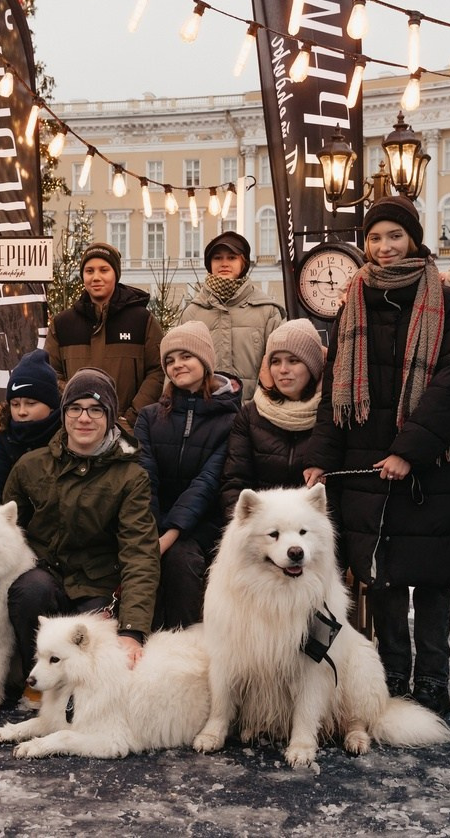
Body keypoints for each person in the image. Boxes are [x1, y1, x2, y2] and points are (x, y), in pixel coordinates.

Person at [304, 195, 450, 718]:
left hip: (429, 468)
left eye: (393, 236)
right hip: (365, 464)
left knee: (433, 579)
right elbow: (337, 390)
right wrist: (319, 457)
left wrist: (409, 452)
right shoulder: (353, 298)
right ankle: (395, 675)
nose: (382, 247)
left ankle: (434, 679)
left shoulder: (446, 302)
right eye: (374, 238)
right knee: (384, 577)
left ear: (413, 240)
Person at [1, 367, 159, 684]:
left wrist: (132, 629)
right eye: (75, 408)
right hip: (46, 573)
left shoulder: (131, 477)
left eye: (96, 409)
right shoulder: (31, 466)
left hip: (100, 585)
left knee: (94, 651)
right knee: (30, 590)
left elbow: (140, 552)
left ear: (110, 416)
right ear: (64, 414)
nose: (84, 418)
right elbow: (4, 533)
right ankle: (34, 681)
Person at [133, 321, 240, 629]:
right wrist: (151, 531)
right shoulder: (150, 416)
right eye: (170, 359)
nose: (177, 364)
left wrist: (170, 534)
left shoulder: (232, 418)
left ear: (204, 361)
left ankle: (185, 644)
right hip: (153, 521)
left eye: (186, 356)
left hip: (204, 523)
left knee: (181, 561)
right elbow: (144, 475)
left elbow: (208, 482)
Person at [45, 242, 164, 430]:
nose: (96, 277)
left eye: (104, 270)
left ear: (115, 274)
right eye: (89, 271)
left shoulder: (142, 320)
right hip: (78, 427)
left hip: (128, 429)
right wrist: (75, 407)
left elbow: (158, 370)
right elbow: (51, 373)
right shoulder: (63, 324)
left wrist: (132, 415)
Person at [221, 318, 325, 518]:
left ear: (312, 365)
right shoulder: (251, 415)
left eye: (293, 360)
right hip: (264, 530)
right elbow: (235, 481)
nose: (283, 369)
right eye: (275, 361)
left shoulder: (332, 414)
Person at [181, 231, 285, 401]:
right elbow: (178, 366)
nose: (224, 263)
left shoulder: (267, 311)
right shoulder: (193, 313)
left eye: (232, 257)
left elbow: (280, 364)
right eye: (217, 258)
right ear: (209, 264)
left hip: (255, 414)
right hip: (205, 414)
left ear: (243, 263)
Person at [0, 348, 62, 506]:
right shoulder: (7, 437)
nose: (22, 411)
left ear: (51, 405)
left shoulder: (66, 436)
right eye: (15, 404)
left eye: (31, 403)